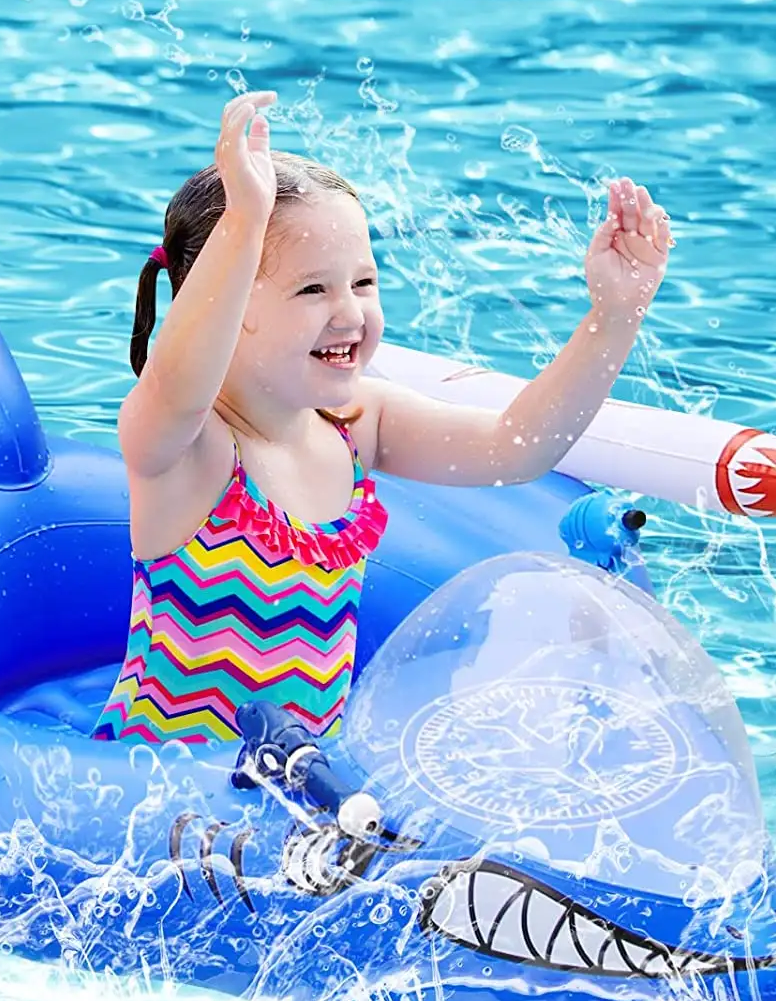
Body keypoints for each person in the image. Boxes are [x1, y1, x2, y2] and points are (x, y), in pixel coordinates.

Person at [92, 89, 673, 746]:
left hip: (296, 788)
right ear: (230, 303)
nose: (350, 313)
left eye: (363, 283)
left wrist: (614, 315)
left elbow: (518, 448)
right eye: (313, 288)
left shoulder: (356, 423)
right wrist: (243, 223)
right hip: (157, 798)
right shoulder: (185, 449)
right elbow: (179, 376)